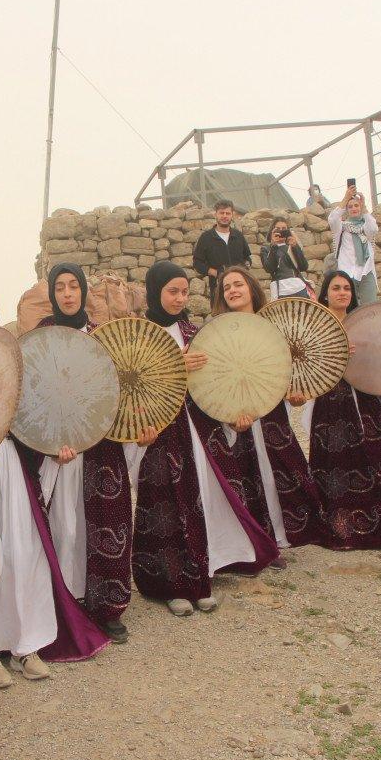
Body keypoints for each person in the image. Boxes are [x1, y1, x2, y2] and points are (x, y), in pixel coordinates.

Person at [0, 288, 110, 688]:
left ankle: (28, 642)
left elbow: (33, 418)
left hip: (13, 468)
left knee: (25, 554)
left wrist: (54, 453)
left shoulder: (15, 365)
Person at [130, 261, 281, 616]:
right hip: (158, 432)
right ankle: (170, 586)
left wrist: (233, 416)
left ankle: (200, 578)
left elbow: (216, 377)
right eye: (172, 291)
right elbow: (132, 383)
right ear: (155, 291)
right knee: (166, 506)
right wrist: (173, 367)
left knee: (200, 499)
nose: (180, 299)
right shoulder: (139, 334)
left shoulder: (195, 332)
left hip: (197, 428)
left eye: (184, 292)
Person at [31, 263, 134, 644]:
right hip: (55, 450)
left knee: (101, 522)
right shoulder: (40, 339)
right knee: (62, 526)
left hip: (99, 448)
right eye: (60, 287)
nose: (67, 293)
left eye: (74, 286)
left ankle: (106, 607)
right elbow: (31, 394)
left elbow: (115, 391)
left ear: (83, 292)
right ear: (52, 293)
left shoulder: (101, 337)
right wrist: (48, 443)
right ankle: (58, 607)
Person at [209, 267, 326, 548]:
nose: (233, 290)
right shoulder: (218, 331)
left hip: (272, 411)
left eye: (238, 284)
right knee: (248, 473)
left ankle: (292, 531)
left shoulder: (273, 325)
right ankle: (261, 537)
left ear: (251, 288)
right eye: (227, 287)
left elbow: (285, 367)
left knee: (282, 468)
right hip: (238, 411)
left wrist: (294, 395)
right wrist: (229, 415)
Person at [298, 271, 381, 549]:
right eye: (336, 288)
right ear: (326, 293)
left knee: (379, 456)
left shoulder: (364, 325)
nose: (342, 292)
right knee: (337, 466)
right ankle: (342, 527)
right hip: (331, 403)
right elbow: (306, 366)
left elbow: (377, 362)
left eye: (347, 288)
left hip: (365, 398)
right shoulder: (315, 327)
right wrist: (335, 352)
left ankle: (379, 524)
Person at [326, 185, 379, 305]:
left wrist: (364, 207)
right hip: (347, 272)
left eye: (356, 205)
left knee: (370, 307)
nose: (354, 208)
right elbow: (332, 219)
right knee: (350, 309)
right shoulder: (341, 227)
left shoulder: (365, 226)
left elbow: (373, 228)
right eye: (350, 207)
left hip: (366, 271)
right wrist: (346, 198)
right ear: (346, 210)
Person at [193, 199, 252, 297]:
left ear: (232, 215)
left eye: (228, 213)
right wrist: (216, 273)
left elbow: (247, 258)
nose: (225, 216)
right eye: (221, 213)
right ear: (215, 214)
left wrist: (245, 267)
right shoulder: (206, 237)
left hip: (239, 288)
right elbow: (197, 263)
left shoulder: (238, 236)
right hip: (218, 289)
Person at [259, 217, 310, 298]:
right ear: (272, 231)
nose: (281, 231)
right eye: (278, 229)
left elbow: (304, 266)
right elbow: (269, 269)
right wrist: (274, 246)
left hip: (299, 288)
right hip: (280, 290)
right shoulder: (266, 249)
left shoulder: (292, 245)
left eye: (284, 229)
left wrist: (295, 247)